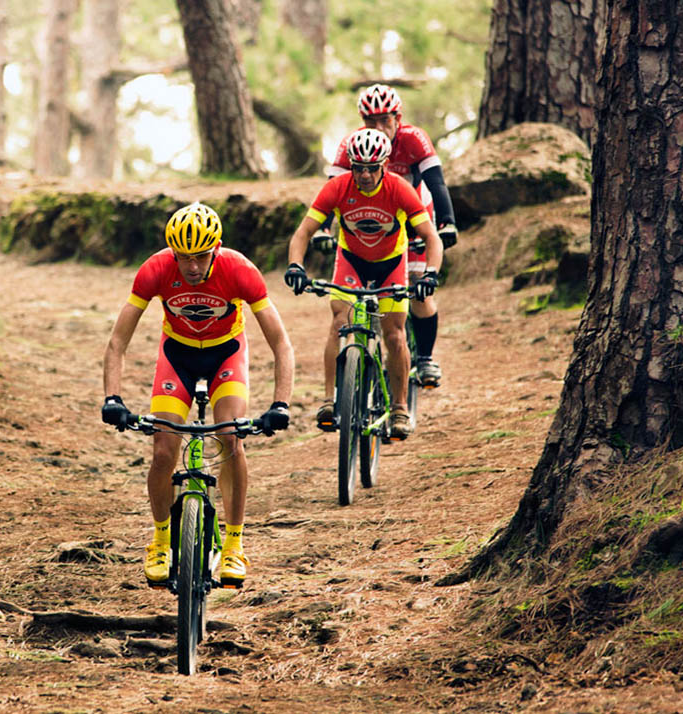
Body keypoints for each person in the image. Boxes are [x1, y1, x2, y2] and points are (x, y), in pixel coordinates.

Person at [102, 202, 294, 589]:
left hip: (227, 354)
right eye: (184, 257)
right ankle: (160, 539)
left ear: (217, 248)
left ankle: (234, 544)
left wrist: (281, 404)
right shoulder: (156, 269)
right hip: (178, 357)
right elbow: (117, 342)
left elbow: (281, 343)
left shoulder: (239, 270)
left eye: (201, 256)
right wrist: (113, 398)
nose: (192, 266)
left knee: (231, 439)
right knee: (162, 449)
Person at [284, 128, 443, 440]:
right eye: (359, 168)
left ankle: (399, 408)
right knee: (339, 320)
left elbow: (431, 238)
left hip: (391, 264)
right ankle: (329, 401)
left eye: (373, 168)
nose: (366, 175)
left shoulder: (399, 188)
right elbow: (303, 232)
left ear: (384, 165)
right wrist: (295, 266)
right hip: (351, 261)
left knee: (395, 335)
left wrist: (430, 274)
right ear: (351, 166)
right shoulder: (338, 187)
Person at [322, 84, 458, 388]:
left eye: (385, 120)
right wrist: (323, 228)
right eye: (371, 121)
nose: (379, 128)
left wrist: (447, 222)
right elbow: (332, 192)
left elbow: (437, 183)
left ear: (399, 117)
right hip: (375, 221)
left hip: (415, 216)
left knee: (419, 293)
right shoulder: (353, 144)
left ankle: (425, 358)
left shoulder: (413, 139)